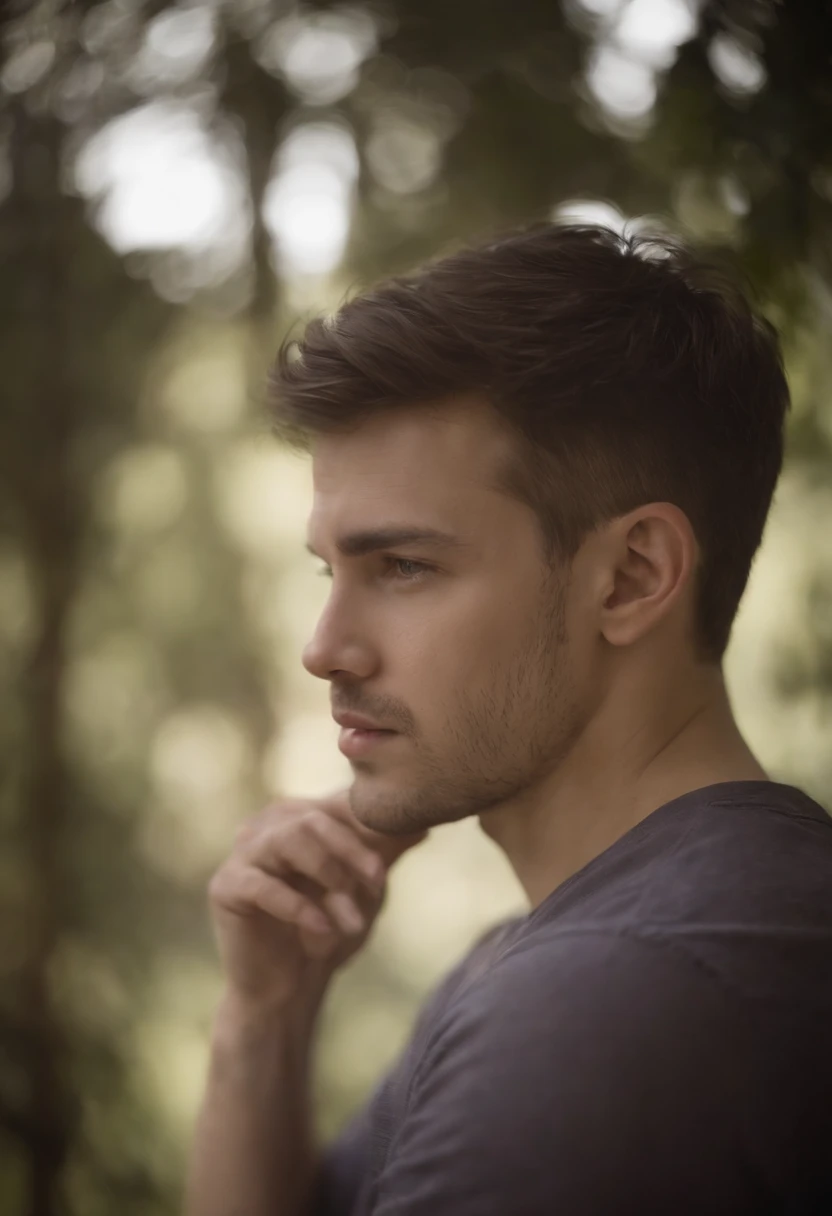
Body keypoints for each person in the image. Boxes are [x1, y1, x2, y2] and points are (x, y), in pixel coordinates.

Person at [184, 222, 832, 1216]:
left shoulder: (611, 1000)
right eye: (331, 570)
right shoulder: (585, 945)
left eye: (402, 566)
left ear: (630, 576)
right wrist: (262, 1019)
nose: (323, 647)